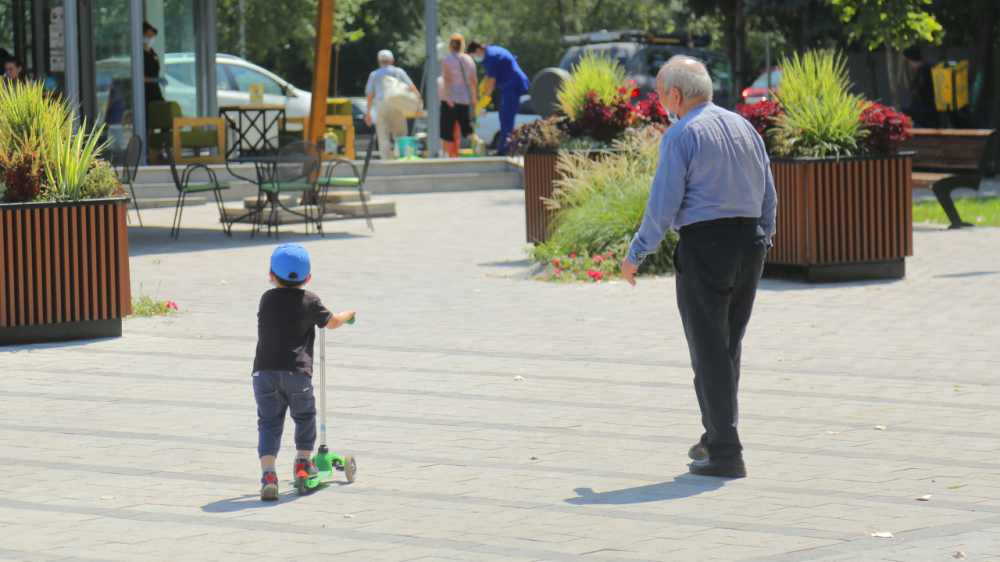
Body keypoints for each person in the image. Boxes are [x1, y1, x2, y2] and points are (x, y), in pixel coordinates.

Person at [621, 56, 777, 479]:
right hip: (749, 245)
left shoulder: (681, 133)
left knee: (708, 349)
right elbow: (768, 194)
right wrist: (764, 239)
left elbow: (662, 206)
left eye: (659, 94)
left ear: (675, 94)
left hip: (706, 246)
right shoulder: (745, 127)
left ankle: (726, 452)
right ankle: (715, 436)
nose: (659, 102)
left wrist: (635, 255)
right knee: (727, 348)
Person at [254, 243, 356, 501]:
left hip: (264, 373)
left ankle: (268, 474)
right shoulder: (310, 300)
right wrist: (346, 314)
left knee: (268, 423)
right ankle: (303, 463)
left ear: (271, 275)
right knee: (304, 415)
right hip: (296, 374)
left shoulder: (266, 299)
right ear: (308, 277)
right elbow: (331, 322)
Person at [467, 40, 530, 155]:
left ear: (478, 50)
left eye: (474, 55)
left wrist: (485, 98)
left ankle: (506, 149)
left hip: (512, 86)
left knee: (506, 117)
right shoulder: (492, 52)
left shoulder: (491, 56)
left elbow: (492, 81)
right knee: (503, 116)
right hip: (510, 86)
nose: (475, 58)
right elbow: (491, 76)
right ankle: (505, 147)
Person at [364, 50, 421, 160]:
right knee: (400, 133)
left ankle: (385, 159)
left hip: (381, 104)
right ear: (392, 60)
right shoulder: (398, 72)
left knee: (383, 134)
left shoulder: (374, 74)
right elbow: (411, 87)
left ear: (379, 61)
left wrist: (368, 113)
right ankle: (399, 156)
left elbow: (370, 96)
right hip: (397, 103)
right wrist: (419, 101)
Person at [441, 33, 479, 158]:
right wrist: (475, 97)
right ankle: (478, 145)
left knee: (446, 128)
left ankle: (444, 153)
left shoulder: (448, 60)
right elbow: (474, 80)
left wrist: (447, 97)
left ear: (450, 46)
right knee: (467, 127)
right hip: (465, 99)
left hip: (451, 98)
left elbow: (447, 79)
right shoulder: (469, 59)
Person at [901, 46, 940, 128]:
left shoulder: (920, 73)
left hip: (926, 109)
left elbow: (909, 88)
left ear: (907, 59)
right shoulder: (931, 68)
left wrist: (904, 69)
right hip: (936, 108)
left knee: (903, 113)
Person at [142, 22, 167, 109]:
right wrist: (154, 80)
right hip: (144, 94)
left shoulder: (153, 54)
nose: (150, 37)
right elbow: (138, 77)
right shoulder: (139, 55)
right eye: (147, 34)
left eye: (152, 34)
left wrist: (158, 80)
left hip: (155, 92)